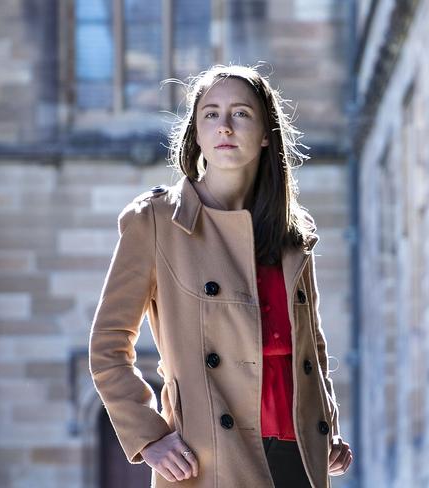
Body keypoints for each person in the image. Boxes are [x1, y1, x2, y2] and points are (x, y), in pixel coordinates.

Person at [89, 64, 353, 487]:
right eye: (210, 114)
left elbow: (310, 347)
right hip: (208, 459)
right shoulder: (156, 221)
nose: (224, 126)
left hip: (298, 454)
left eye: (241, 114)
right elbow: (107, 344)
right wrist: (148, 435)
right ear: (196, 133)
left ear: (267, 133)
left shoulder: (293, 232)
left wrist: (328, 425)